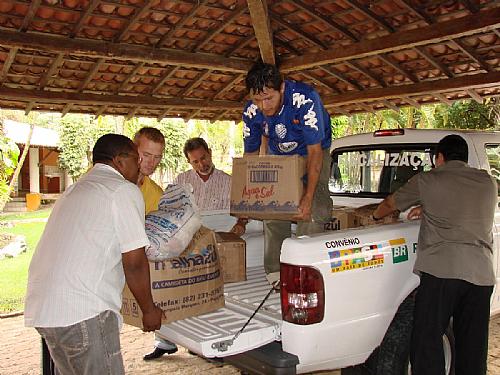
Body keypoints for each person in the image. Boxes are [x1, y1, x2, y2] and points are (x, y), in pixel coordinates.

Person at [24, 134, 163, 375]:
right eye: (136, 158)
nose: (140, 165)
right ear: (119, 161)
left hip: (44, 310)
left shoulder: (75, 189)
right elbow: (134, 262)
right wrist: (149, 310)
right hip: (83, 311)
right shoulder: (122, 190)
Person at [373, 134, 497, 375]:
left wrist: (375, 216)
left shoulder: (429, 180)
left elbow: (390, 204)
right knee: (473, 348)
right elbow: (462, 204)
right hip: (481, 276)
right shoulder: (487, 181)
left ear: (439, 158)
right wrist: (427, 207)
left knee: (427, 342)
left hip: (442, 274)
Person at [242, 62, 333, 277]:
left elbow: (315, 152)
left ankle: (303, 273)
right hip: (279, 157)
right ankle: (275, 272)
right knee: (274, 211)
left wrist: (308, 197)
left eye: (268, 98)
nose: (263, 106)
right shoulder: (251, 111)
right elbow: (251, 156)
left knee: (312, 211)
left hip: (313, 153)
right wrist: (249, 194)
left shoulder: (305, 99)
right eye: (257, 99)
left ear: (282, 87)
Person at [135, 127, 180, 361]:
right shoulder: (107, 180)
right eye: (146, 154)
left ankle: (166, 340)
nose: (151, 162)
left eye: (157, 157)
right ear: (133, 150)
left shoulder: (154, 193)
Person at [174, 137, 247, 235]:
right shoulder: (181, 181)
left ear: (210, 153)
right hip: (189, 238)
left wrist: (241, 224)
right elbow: (170, 210)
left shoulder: (229, 181)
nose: (201, 164)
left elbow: (244, 208)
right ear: (189, 162)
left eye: (203, 158)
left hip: (220, 237)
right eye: (195, 162)